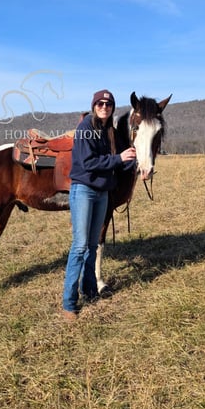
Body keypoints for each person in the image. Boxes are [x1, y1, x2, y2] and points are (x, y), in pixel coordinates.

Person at [61, 89, 137, 321]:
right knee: (80, 246)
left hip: (102, 193)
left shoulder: (108, 132)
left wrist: (135, 163)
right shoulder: (86, 128)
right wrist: (119, 158)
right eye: (100, 103)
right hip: (84, 190)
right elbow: (88, 162)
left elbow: (113, 165)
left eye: (109, 104)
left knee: (93, 245)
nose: (104, 107)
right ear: (94, 106)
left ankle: (90, 290)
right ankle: (69, 303)